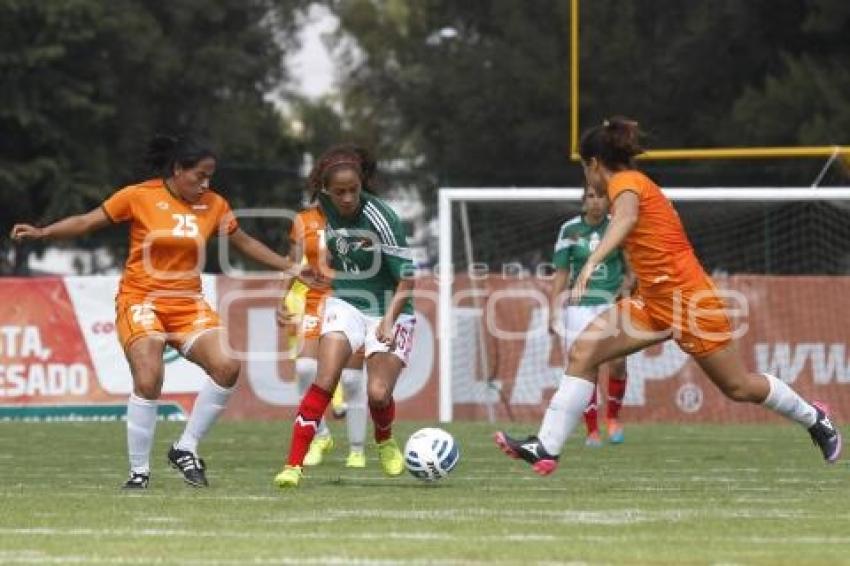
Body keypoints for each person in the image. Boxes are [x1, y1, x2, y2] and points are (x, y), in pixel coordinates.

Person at [496, 118, 841, 475]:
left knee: (738, 387)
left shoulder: (626, 183)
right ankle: (546, 446)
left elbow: (627, 218)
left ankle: (815, 419)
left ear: (594, 164)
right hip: (654, 303)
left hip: (690, 301)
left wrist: (592, 262)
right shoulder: (630, 186)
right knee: (584, 352)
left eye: (585, 169)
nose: (587, 178)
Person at [11, 134, 305, 489]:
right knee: (149, 377)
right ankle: (139, 472)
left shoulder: (214, 204)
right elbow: (88, 222)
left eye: (210, 177)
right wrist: (43, 233)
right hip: (141, 299)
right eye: (199, 175)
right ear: (178, 170)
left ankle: (186, 447)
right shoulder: (138, 196)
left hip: (187, 305)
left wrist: (288, 266)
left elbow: (244, 243)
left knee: (227, 366)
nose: (205, 184)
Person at [274, 144, 416, 488]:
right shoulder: (320, 208)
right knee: (323, 378)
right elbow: (299, 248)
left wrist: (387, 321)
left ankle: (384, 440)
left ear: (361, 185)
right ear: (326, 192)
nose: (348, 198)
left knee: (378, 393)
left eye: (354, 190)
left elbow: (408, 281)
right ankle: (293, 466)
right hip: (346, 302)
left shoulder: (383, 217)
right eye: (340, 192)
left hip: (390, 306)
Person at [277, 202, 368, 468]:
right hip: (317, 300)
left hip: (354, 300)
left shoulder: (362, 217)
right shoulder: (303, 220)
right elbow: (293, 263)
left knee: (351, 380)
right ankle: (321, 436)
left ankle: (357, 450)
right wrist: (281, 298)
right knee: (305, 368)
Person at [549, 184, 631, 447]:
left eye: (601, 196)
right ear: (584, 201)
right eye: (591, 197)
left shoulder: (618, 227)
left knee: (618, 362)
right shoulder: (569, 230)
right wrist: (553, 310)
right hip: (580, 306)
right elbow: (561, 273)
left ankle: (613, 418)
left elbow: (634, 268)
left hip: (612, 304)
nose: (596, 202)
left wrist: (627, 287)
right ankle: (592, 430)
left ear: (608, 201)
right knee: (586, 366)